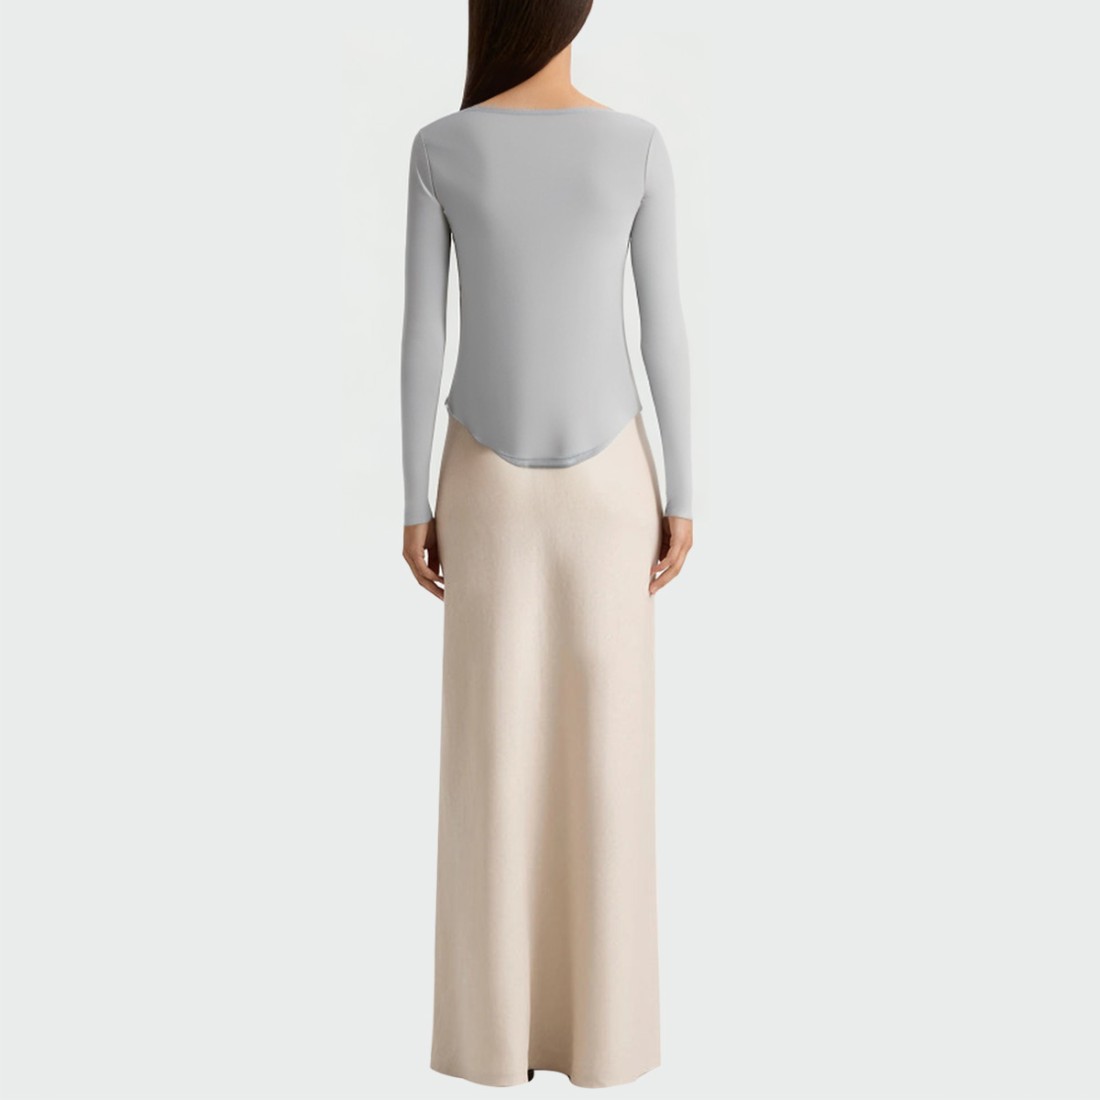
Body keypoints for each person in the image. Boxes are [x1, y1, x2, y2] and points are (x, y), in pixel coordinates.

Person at [399, 0, 694, 1087]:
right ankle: (605, 1041)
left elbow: (422, 336)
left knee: (490, 753)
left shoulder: (443, 146)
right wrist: (685, 490)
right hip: (615, 481)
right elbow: (663, 330)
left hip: (479, 479)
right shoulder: (634, 145)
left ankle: (491, 1043)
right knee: (607, 756)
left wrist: (412, 499)